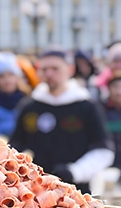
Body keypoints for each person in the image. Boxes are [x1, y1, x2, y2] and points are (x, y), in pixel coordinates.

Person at [9, 50, 114, 194]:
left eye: (55, 68)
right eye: (44, 69)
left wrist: (75, 171)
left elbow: (103, 150)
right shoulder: (29, 106)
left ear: (70, 70)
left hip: (77, 190)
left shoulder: (86, 106)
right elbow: (16, 146)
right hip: (36, 192)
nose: (49, 74)